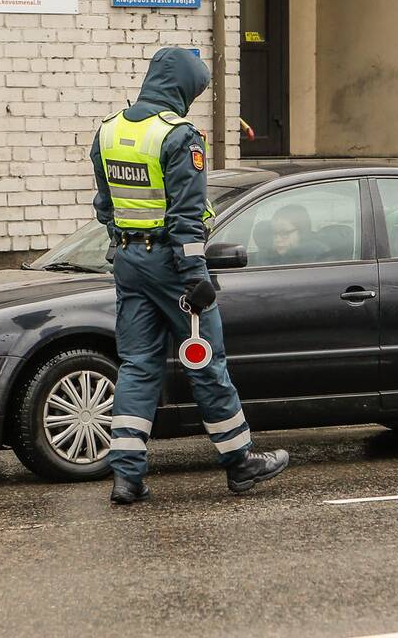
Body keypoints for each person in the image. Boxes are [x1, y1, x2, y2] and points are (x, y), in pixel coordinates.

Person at [91, 47, 290, 504]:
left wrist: (121, 245)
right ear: (181, 86)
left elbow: (105, 205)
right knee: (204, 360)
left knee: (138, 367)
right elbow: (184, 217)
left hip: (128, 262)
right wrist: (196, 274)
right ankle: (240, 462)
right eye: (194, 90)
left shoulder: (109, 131)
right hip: (173, 269)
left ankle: (127, 476)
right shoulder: (178, 137)